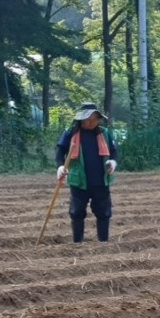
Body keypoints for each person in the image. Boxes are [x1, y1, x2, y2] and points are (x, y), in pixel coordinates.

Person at [55, 102, 118, 243]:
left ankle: (103, 242)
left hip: (101, 181)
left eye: (95, 119)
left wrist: (112, 162)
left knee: (104, 213)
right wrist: (60, 166)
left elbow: (114, 152)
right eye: (89, 119)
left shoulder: (104, 133)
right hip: (79, 181)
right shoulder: (71, 133)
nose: (92, 122)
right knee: (77, 213)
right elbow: (60, 152)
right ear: (81, 119)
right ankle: (78, 243)